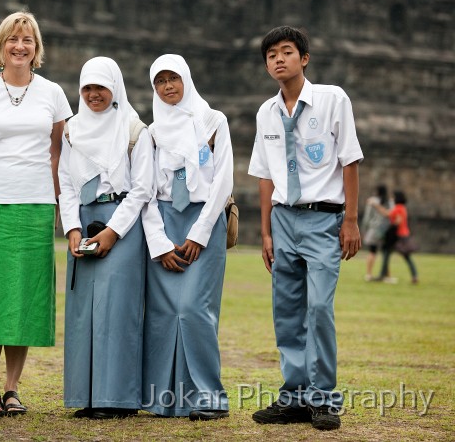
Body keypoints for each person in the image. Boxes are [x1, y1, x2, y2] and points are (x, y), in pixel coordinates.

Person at [247, 26, 363, 431]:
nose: (278, 60)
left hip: (324, 218)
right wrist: (265, 232)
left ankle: (324, 398)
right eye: (271, 55)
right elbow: (264, 176)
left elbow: (350, 160)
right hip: (283, 219)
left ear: (304, 58)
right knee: (287, 312)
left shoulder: (332, 100)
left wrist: (350, 219)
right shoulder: (266, 112)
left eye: (286, 52)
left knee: (318, 308)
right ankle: (294, 396)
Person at [0, 11, 73, 417]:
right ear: (1, 46)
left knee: (26, 295)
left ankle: (12, 388)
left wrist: (62, 205)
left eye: (27, 39)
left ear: (36, 47)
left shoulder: (54, 94)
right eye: (13, 39)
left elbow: (59, 154)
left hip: (37, 203)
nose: (20, 46)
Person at [59, 57, 154, 419]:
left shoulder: (133, 129)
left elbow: (143, 188)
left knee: (117, 310)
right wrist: (72, 229)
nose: (94, 95)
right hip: (83, 221)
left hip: (122, 224)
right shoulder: (71, 129)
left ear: (114, 88)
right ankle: (86, 395)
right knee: (83, 312)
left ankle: (117, 399)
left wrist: (114, 232)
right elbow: (66, 184)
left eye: (101, 87)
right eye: (87, 88)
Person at [141, 54, 233, 421]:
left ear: (186, 80)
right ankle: (165, 399)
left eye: (173, 78)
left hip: (204, 221)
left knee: (195, 311)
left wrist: (200, 232)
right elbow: (144, 190)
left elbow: (223, 180)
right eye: (160, 81)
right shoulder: (151, 132)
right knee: (164, 314)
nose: (167, 87)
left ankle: (210, 398)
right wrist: (159, 243)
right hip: (164, 220)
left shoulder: (213, 121)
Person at [374, 191, 418, 284]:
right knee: (405, 256)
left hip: (397, 236)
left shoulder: (398, 208)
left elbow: (388, 214)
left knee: (387, 254)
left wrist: (376, 205)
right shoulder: (403, 208)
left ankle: (382, 275)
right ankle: (414, 276)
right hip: (404, 234)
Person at [361, 184, 390, 281]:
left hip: (374, 229)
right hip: (386, 229)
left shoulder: (372, 201)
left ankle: (369, 273)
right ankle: (386, 274)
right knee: (385, 253)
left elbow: (367, 217)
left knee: (372, 251)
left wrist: (363, 229)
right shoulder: (388, 202)